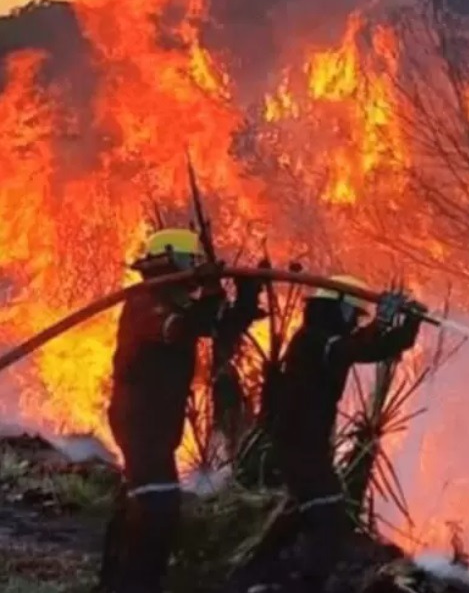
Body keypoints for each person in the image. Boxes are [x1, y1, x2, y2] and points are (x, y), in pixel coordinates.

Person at [99, 226, 262, 593]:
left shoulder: (176, 304)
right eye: (190, 263)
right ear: (169, 263)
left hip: (158, 424)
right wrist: (209, 291)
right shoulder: (146, 304)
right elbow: (184, 327)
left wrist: (246, 297)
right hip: (140, 421)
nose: (192, 272)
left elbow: (214, 326)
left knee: (151, 505)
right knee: (158, 507)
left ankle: (125, 580)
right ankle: (133, 584)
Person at [239, 275, 422, 593]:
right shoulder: (315, 339)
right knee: (327, 514)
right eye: (352, 314)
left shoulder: (328, 341)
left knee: (313, 512)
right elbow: (356, 347)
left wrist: (409, 325)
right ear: (335, 310)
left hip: (307, 443)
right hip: (298, 443)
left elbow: (376, 348)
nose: (353, 322)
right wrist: (380, 321)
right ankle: (298, 584)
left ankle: (256, 577)